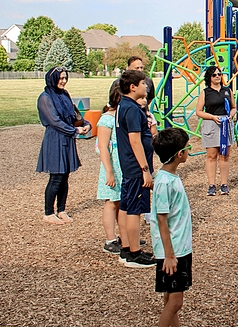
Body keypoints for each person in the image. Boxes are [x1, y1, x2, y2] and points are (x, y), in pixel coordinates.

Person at [149, 127, 192, 327]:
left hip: (178, 248)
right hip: (174, 250)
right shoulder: (165, 182)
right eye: (187, 147)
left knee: (170, 298)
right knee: (175, 302)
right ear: (179, 155)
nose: (189, 150)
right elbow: (161, 219)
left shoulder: (168, 177)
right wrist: (169, 255)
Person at [36, 66, 90, 224]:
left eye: (65, 78)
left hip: (67, 138)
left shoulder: (64, 94)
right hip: (55, 139)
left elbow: (73, 115)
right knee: (56, 177)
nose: (63, 81)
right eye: (60, 78)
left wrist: (85, 124)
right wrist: (74, 130)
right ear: (52, 79)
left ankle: (61, 210)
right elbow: (54, 121)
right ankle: (48, 212)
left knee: (65, 176)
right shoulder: (45, 97)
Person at [115, 69, 156, 268]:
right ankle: (134, 253)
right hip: (134, 167)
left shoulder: (124, 105)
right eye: (142, 84)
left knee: (125, 206)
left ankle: (125, 247)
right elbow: (135, 140)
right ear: (133, 87)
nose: (146, 86)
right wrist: (145, 169)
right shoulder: (131, 109)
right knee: (134, 210)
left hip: (129, 166)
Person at [195, 65, 237, 196]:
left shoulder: (227, 90)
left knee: (225, 155)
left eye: (219, 74)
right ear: (209, 77)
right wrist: (212, 117)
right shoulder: (205, 92)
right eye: (214, 75)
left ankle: (224, 184)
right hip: (211, 125)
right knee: (211, 156)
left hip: (226, 125)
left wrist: (231, 115)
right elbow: (199, 111)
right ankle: (211, 185)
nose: (218, 76)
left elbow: (233, 107)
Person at [96, 84, 126, 252]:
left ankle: (124, 236)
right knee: (111, 202)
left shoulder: (121, 116)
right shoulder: (106, 119)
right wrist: (109, 171)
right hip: (113, 166)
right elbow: (103, 147)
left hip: (123, 165)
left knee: (122, 202)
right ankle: (110, 240)